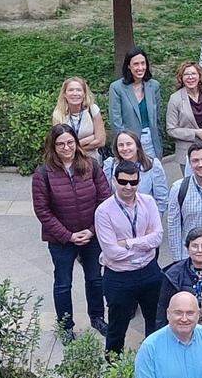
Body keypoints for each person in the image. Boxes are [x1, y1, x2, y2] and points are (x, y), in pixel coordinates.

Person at [32, 124, 111, 341]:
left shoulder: (91, 166)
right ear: (53, 146)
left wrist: (92, 231)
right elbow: (42, 211)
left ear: (76, 143)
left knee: (95, 279)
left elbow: (104, 201)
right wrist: (67, 235)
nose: (66, 148)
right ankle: (65, 326)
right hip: (61, 240)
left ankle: (97, 317)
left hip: (90, 236)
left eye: (70, 142)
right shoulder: (43, 174)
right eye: (60, 144)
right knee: (63, 283)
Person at [94, 160, 163, 353]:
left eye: (133, 182)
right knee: (117, 328)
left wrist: (129, 243)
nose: (128, 187)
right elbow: (111, 252)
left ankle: (153, 362)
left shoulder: (148, 202)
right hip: (119, 277)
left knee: (155, 324)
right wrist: (144, 243)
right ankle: (112, 373)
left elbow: (157, 237)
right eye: (123, 182)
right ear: (115, 181)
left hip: (149, 272)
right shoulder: (104, 211)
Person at [109, 47, 162, 160]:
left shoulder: (154, 86)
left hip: (151, 141)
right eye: (136, 64)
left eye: (143, 63)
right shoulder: (117, 88)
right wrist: (124, 144)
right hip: (129, 142)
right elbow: (116, 121)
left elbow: (157, 118)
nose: (140, 68)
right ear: (128, 66)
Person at [166, 61, 202, 175]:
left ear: (199, 76)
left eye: (193, 74)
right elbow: (171, 129)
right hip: (187, 151)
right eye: (186, 74)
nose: (190, 77)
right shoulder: (175, 99)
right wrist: (195, 133)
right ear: (181, 78)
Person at [103, 129, 169, 213]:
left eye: (129, 144)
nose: (125, 148)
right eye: (121, 145)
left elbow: (162, 199)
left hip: (146, 217)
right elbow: (105, 195)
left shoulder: (152, 165)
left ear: (137, 146)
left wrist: (154, 220)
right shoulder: (110, 165)